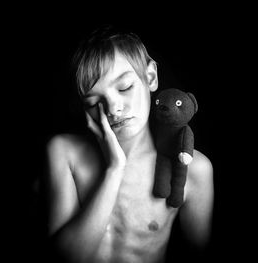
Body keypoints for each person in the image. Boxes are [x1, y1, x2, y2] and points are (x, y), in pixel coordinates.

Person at [43, 25, 214, 263]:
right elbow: (63, 257)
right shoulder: (64, 152)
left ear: (150, 77)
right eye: (93, 102)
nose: (113, 109)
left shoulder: (192, 168)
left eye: (125, 87)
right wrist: (115, 169)